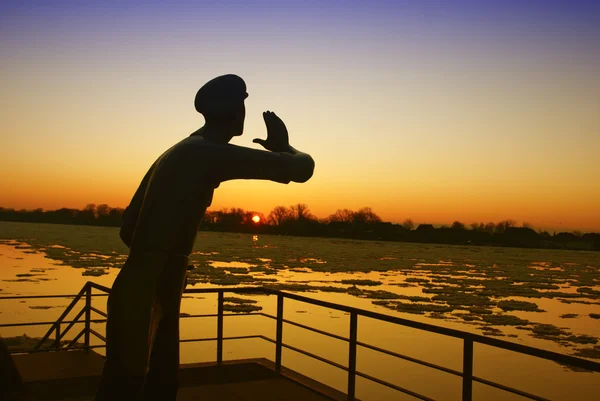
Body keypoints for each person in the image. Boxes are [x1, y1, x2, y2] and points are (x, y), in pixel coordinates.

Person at [95, 74, 315, 401]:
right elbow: (301, 169)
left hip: (148, 284)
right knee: (131, 388)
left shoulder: (177, 152)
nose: (244, 110)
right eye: (242, 101)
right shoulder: (204, 153)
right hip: (149, 290)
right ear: (229, 108)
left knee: (156, 385)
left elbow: (129, 226)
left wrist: (167, 259)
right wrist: (284, 148)